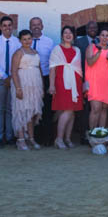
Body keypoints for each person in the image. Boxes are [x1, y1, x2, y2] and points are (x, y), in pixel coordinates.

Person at [0, 16, 20, 147]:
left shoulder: (17, 42)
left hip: (13, 79)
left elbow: (19, 61)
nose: (7, 27)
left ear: (12, 27)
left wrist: (11, 77)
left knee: (11, 108)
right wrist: (4, 76)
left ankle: (10, 136)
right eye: (5, 25)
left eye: (9, 25)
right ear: (1, 27)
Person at [51, 25, 84, 149]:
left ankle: (67, 138)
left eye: (70, 33)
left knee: (72, 112)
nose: (68, 35)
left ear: (74, 36)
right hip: (62, 83)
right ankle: (59, 139)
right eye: (65, 33)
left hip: (75, 84)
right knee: (67, 110)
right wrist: (51, 85)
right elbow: (52, 69)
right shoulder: (57, 49)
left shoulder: (77, 50)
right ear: (62, 35)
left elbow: (79, 69)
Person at [10, 29, 44, 150]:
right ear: (20, 40)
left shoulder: (35, 52)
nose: (27, 41)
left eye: (29, 39)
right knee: (21, 110)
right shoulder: (18, 53)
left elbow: (39, 69)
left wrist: (41, 88)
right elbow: (14, 71)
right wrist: (18, 88)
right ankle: (20, 139)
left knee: (32, 111)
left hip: (35, 85)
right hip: (23, 84)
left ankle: (31, 138)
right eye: (24, 39)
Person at [28, 17, 56, 146]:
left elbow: (53, 62)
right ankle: (32, 137)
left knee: (46, 108)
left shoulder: (49, 42)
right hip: (30, 78)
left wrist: (51, 83)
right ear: (30, 27)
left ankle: (47, 138)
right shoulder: (25, 41)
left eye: (38, 24)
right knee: (31, 107)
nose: (36, 27)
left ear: (42, 26)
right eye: (33, 25)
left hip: (45, 77)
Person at [84, 28, 108, 130]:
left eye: (107, 36)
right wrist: (99, 52)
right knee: (95, 108)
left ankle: (101, 133)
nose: (104, 38)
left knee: (104, 109)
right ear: (99, 36)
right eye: (102, 35)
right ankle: (92, 134)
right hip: (94, 82)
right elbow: (90, 62)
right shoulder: (92, 47)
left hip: (107, 82)